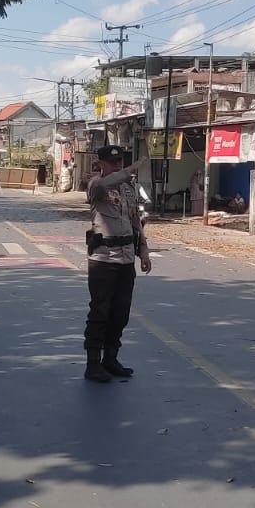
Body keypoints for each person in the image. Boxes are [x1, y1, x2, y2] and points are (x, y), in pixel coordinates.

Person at [83, 143, 151, 383]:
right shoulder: (96, 185)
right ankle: (93, 363)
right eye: (112, 162)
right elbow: (103, 185)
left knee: (120, 313)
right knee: (100, 312)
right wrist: (131, 169)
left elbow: (136, 222)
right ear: (101, 163)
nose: (118, 166)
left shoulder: (128, 190)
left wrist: (143, 252)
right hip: (103, 260)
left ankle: (110, 358)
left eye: (120, 161)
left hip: (125, 259)